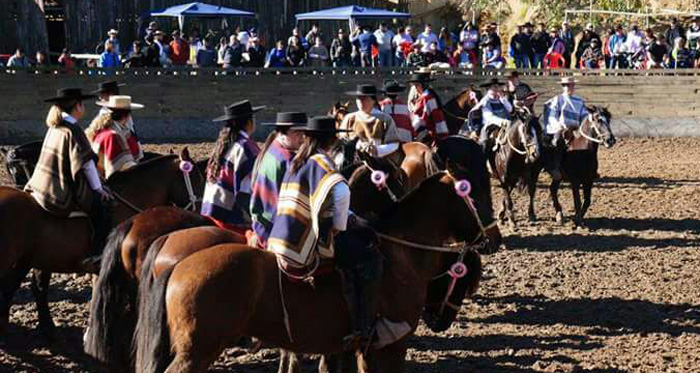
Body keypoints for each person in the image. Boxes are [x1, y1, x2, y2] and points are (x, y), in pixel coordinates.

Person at [267, 116, 409, 349]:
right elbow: (341, 193)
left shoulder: (300, 160)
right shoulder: (322, 161)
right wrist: (340, 226)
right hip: (304, 242)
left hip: (281, 234)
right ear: (332, 140)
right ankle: (364, 328)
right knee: (370, 257)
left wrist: (352, 217)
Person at [24, 88, 112, 271]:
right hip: (58, 189)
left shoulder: (55, 126)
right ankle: (97, 253)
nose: (84, 108)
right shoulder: (73, 130)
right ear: (77, 106)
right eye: (82, 104)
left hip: (39, 183)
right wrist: (98, 189)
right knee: (102, 207)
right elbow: (86, 165)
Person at [201, 100, 265, 228]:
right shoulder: (246, 147)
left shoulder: (221, 145)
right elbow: (252, 189)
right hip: (230, 218)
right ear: (249, 122)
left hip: (210, 212)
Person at [248, 112, 306, 248]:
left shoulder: (271, 149)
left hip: (260, 222)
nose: (303, 137)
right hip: (273, 230)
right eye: (297, 132)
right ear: (282, 133)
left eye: (304, 132)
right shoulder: (288, 160)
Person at [86, 95, 145, 178]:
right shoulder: (113, 136)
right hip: (107, 183)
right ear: (126, 116)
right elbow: (122, 167)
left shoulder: (103, 129)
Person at [543, 77, 589, 180]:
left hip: (576, 128)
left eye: (570, 85)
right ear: (562, 87)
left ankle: (589, 168)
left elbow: (584, 115)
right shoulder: (557, 99)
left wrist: (582, 126)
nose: (568, 87)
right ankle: (556, 167)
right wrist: (559, 126)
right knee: (558, 141)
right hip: (561, 129)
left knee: (589, 142)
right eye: (565, 85)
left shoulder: (579, 100)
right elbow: (552, 116)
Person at [340, 84, 402, 159]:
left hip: (378, 161)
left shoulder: (384, 119)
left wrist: (377, 150)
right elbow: (342, 141)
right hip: (353, 160)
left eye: (364, 98)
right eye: (359, 98)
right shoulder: (350, 118)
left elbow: (394, 144)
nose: (360, 101)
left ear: (373, 100)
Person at [407, 70, 448, 145]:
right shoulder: (432, 96)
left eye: (416, 86)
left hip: (430, 135)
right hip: (441, 132)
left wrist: (409, 132)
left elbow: (419, 121)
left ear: (420, 85)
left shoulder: (423, 98)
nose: (415, 88)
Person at [471, 78, 512, 152]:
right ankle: (483, 158)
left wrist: (503, 99)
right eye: (494, 87)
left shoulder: (501, 99)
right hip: (490, 125)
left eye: (497, 86)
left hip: (506, 124)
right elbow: (489, 117)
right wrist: (503, 122)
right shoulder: (485, 101)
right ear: (488, 89)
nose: (497, 88)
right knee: (485, 142)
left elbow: (510, 109)